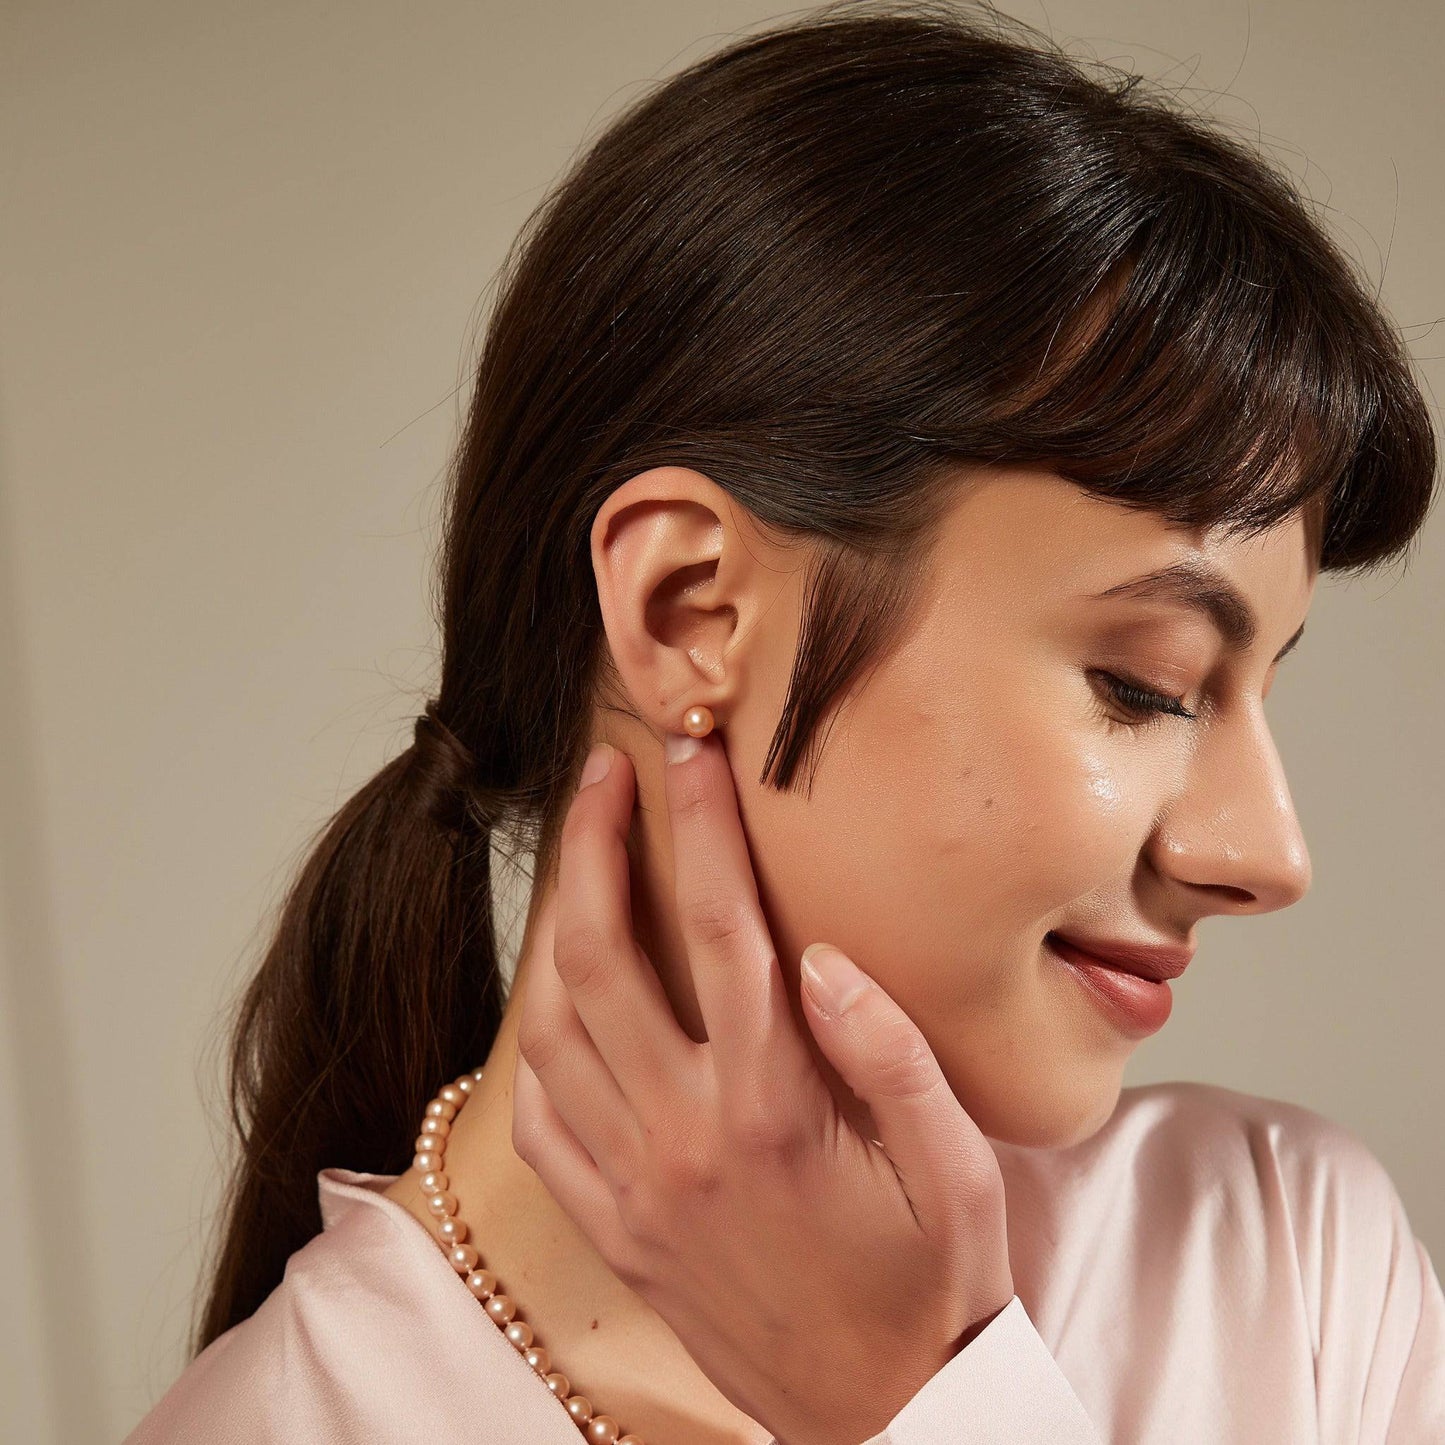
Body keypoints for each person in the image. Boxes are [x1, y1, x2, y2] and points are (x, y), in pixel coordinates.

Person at [125, 4, 1444, 1442]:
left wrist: (913, 1392)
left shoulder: (1283, 1268)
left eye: (1263, 690)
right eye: (1146, 681)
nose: (1266, 852)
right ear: (692, 608)